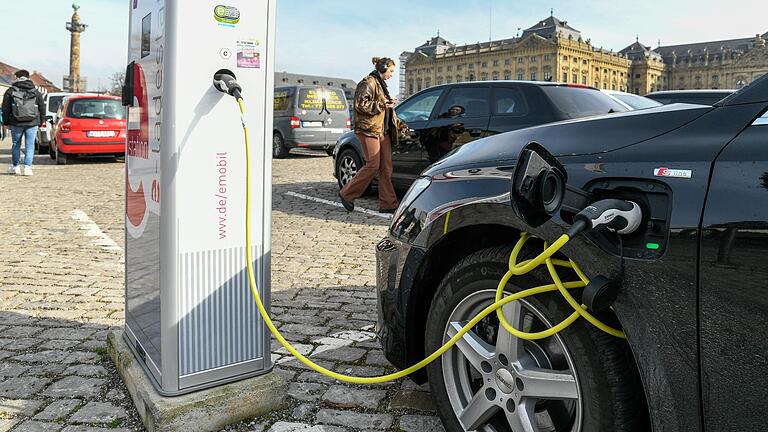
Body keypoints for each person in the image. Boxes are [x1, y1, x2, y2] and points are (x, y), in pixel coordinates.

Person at [339, 57, 400, 213]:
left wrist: (401, 125)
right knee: (372, 165)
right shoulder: (368, 82)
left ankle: (388, 203)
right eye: (391, 71)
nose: (392, 74)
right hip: (369, 130)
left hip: (383, 131)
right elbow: (361, 104)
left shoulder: (382, 85)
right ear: (383, 68)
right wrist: (382, 104)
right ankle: (347, 194)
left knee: (386, 168)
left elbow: (388, 112)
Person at [1, 69, 45, 176]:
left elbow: (5, 108)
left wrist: (5, 122)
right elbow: (42, 107)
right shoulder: (35, 91)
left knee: (16, 144)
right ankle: (27, 168)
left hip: (16, 122)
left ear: (17, 77)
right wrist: (40, 121)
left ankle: (16, 167)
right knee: (30, 145)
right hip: (32, 121)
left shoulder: (11, 90)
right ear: (28, 77)